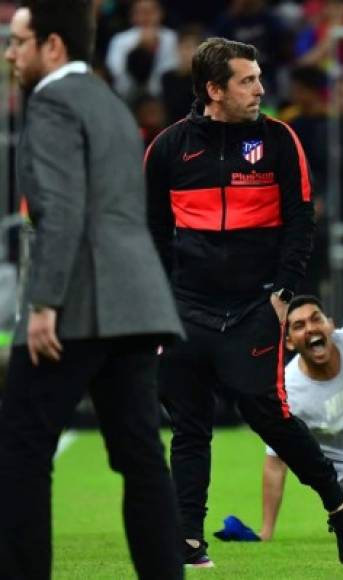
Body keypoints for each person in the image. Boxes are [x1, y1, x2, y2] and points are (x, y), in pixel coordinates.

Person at [144, 37, 343, 568]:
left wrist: (283, 296)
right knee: (189, 424)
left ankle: (338, 508)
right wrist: (157, 302)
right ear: (213, 90)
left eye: (258, 76)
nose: (261, 88)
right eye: (247, 80)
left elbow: (300, 223)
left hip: (253, 307)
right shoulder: (169, 148)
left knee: (265, 412)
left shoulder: (280, 141)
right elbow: (151, 231)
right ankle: (189, 541)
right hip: (184, 306)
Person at [0, 2, 184, 578]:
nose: (10, 53)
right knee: (141, 457)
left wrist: (43, 303)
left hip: (81, 302)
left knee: (21, 449)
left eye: (18, 41)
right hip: (138, 301)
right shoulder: (110, 101)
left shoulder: (52, 101)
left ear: (53, 46)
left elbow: (59, 210)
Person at [216, 295, 343, 542]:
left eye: (316, 319)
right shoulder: (289, 390)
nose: (311, 328)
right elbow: (276, 462)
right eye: (299, 325)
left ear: (331, 325)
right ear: (290, 343)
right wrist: (266, 531)